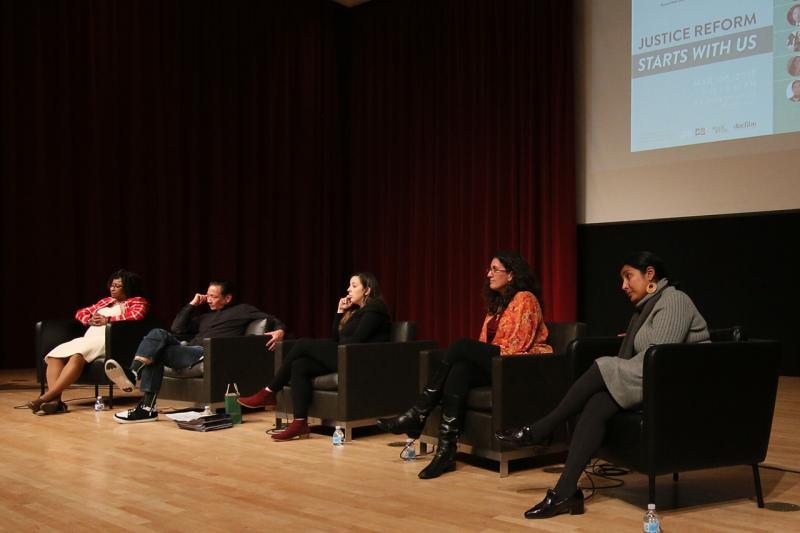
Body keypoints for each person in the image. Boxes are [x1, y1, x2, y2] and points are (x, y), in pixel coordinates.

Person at [495, 252, 709, 519]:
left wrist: (620, 361)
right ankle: (565, 492)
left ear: (650, 275)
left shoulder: (675, 300)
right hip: (652, 378)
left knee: (602, 365)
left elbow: (660, 354)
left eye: (628, 276)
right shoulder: (647, 308)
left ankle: (541, 429)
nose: (623, 286)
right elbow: (644, 354)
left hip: (678, 385)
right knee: (597, 404)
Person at [377, 251, 551, 479]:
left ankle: (418, 413)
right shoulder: (498, 305)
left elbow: (519, 344)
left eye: (494, 269)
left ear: (511, 275)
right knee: (459, 370)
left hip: (516, 367)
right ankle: (446, 451)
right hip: (497, 364)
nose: (488, 274)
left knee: (460, 346)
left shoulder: (525, 298)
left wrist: (479, 354)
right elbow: (483, 343)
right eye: (489, 269)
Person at [104, 280, 286, 423]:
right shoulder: (205, 316)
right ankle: (144, 401)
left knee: (157, 343)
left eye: (213, 296)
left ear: (227, 298)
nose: (209, 300)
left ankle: (138, 384)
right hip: (187, 349)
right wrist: (192, 304)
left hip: (207, 353)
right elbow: (177, 328)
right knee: (157, 337)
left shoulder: (243, 310)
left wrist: (280, 331)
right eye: (207, 295)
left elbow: (272, 320)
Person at [237, 272, 391, 441]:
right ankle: (300, 423)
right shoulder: (357, 312)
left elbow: (355, 341)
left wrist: (342, 339)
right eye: (349, 285)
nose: (348, 289)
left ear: (367, 290)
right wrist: (339, 312)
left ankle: (270, 390)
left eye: (354, 286)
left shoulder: (375, 309)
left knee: (303, 343)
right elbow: (335, 338)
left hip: (359, 360)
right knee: (300, 365)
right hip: (345, 354)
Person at [27, 269, 149, 415]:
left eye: (117, 286)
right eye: (112, 285)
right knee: (54, 356)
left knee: (77, 355)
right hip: (89, 337)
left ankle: (46, 397)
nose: (112, 288)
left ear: (129, 287)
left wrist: (108, 320)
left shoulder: (137, 301)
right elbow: (81, 313)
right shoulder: (106, 302)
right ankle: (55, 401)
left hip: (108, 340)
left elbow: (136, 316)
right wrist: (89, 320)